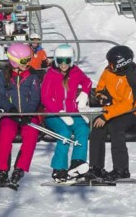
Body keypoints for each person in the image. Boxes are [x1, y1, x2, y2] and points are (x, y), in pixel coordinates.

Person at [88, 45, 136, 182]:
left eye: (111, 63)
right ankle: (96, 167)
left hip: (129, 112)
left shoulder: (131, 78)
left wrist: (106, 115)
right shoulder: (109, 71)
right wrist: (100, 95)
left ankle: (121, 169)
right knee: (97, 128)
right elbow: (101, 85)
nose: (108, 66)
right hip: (111, 109)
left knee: (115, 128)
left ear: (121, 64)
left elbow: (127, 104)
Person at [40, 44, 92, 182]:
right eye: (61, 60)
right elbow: (45, 98)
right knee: (64, 133)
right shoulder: (50, 75)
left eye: (67, 60)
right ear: (56, 60)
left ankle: (77, 162)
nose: (64, 64)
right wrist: (60, 112)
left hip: (72, 112)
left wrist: (84, 94)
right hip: (54, 114)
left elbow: (87, 82)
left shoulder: (75, 71)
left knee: (82, 128)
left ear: (72, 60)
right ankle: (59, 168)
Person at [0, 43, 42, 188]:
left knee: (31, 135)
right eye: (24, 61)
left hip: (28, 114)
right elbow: (0, 95)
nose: (27, 64)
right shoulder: (4, 75)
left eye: (28, 60)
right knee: (5, 135)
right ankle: (2, 170)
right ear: (14, 61)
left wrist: (28, 112)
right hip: (10, 114)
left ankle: (19, 169)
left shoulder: (33, 75)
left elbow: (35, 96)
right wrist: (10, 109)